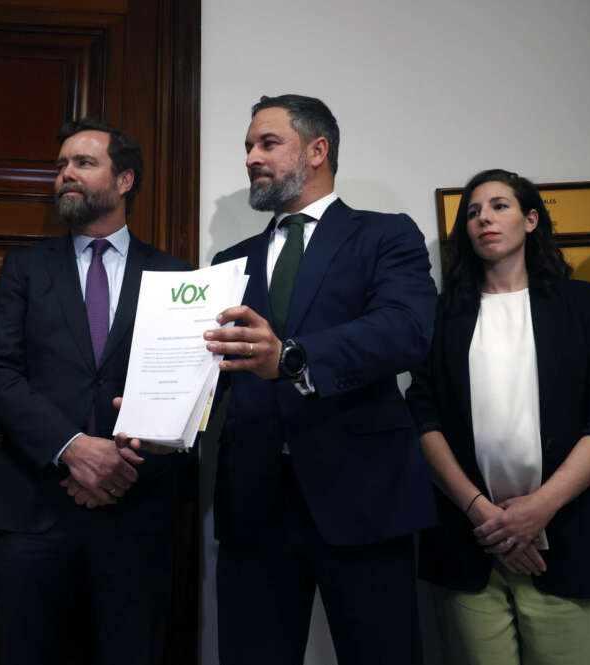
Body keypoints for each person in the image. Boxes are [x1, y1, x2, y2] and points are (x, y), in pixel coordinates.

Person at [203, 94, 438, 665]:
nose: (252, 158)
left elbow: (407, 330)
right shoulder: (230, 262)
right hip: (253, 501)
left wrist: (292, 356)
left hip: (363, 494)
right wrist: (154, 413)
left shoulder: (384, 235)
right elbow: (213, 372)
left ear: (317, 150)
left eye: (268, 143)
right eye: (248, 148)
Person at [0, 118, 192, 665]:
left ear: (124, 181)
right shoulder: (25, 269)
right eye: (61, 166)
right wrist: (73, 447)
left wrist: (117, 465)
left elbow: (189, 387)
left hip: (136, 508)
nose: (65, 174)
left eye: (83, 163)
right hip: (33, 508)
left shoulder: (176, 275)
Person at [406, 169, 590, 665]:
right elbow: (423, 417)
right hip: (471, 546)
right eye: (472, 211)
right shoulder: (442, 314)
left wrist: (540, 508)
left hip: (567, 538)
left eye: (499, 206)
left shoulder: (581, 303)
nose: (484, 217)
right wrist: (482, 514)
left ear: (532, 220)